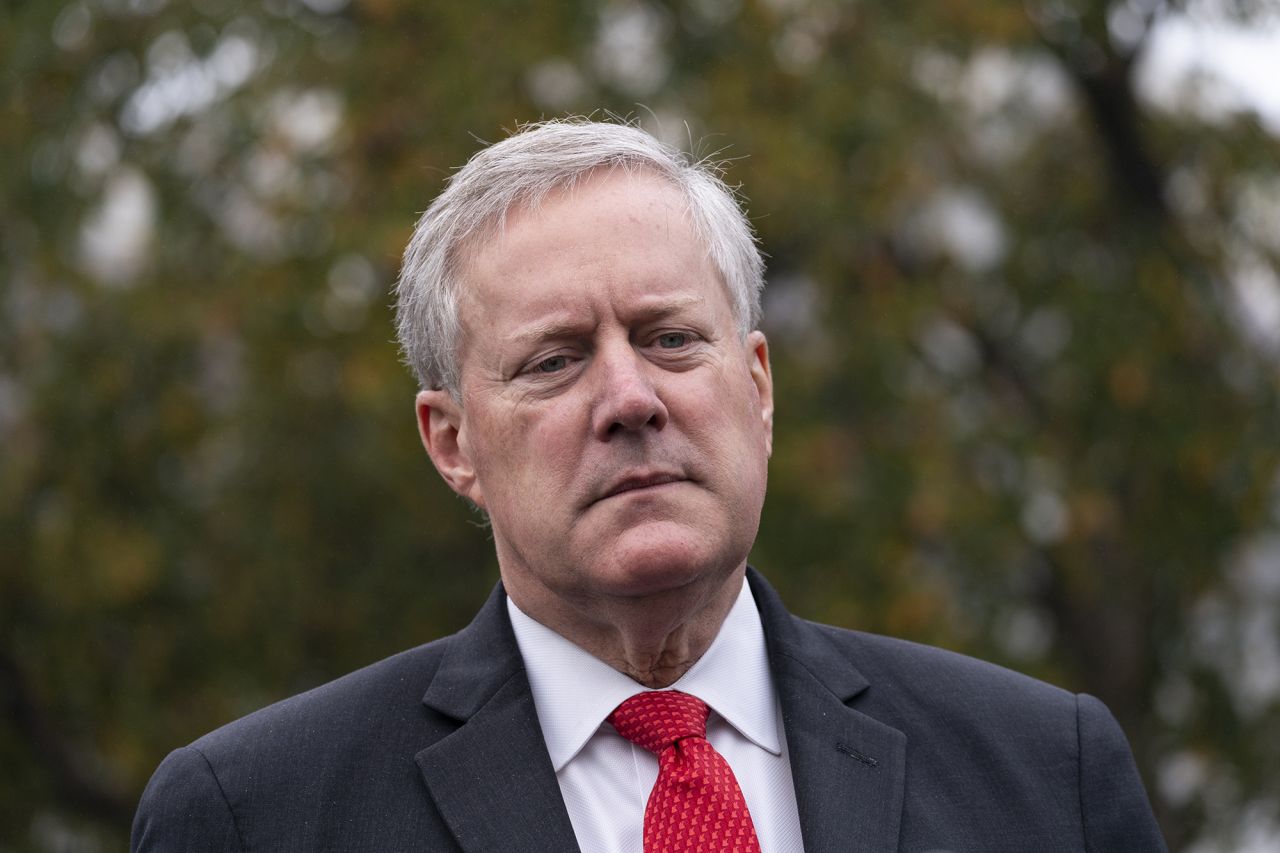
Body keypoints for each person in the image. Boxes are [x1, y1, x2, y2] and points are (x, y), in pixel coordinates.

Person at [131, 119, 1167, 852]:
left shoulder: (1043, 773)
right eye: (555, 360)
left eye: (670, 339)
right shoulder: (255, 816)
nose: (628, 397)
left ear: (756, 387)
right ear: (452, 445)